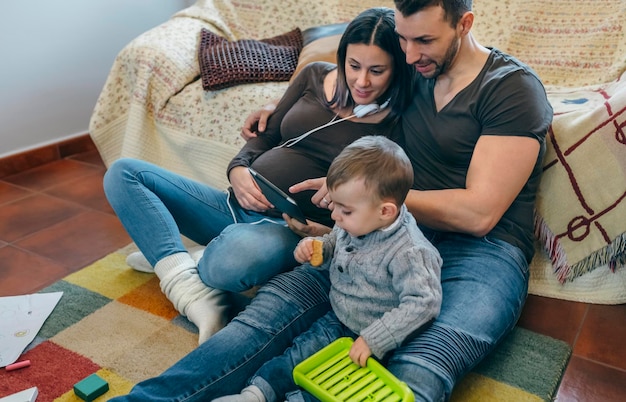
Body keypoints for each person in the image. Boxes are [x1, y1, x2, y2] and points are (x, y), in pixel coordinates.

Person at [108, 1, 553, 401]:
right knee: (263, 321)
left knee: (419, 366)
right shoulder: (412, 74)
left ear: (465, 24)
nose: (411, 53)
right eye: (403, 38)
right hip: (378, 230)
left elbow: (479, 213)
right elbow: (347, 66)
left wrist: (364, 201)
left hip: (480, 252)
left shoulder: (511, 89)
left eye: (425, 40)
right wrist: (272, 114)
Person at [102, 7, 414, 345]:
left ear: (397, 69)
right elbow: (265, 136)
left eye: (377, 70)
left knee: (226, 264)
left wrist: (328, 230)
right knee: (123, 174)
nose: (362, 81)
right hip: (234, 203)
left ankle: (176, 259)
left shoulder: (399, 121)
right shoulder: (313, 76)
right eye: (354, 66)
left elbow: (388, 202)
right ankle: (189, 286)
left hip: (290, 228)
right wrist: (237, 169)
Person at [214, 135, 442, 402]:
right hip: (340, 316)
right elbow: (335, 240)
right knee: (297, 355)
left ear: (386, 212)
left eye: (344, 212)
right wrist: (317, 246)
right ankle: (255, 395)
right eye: (335, 206)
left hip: (380, 336)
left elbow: (424, 302)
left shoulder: (411, 252)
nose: (335, 217)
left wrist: (374, 339)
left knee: (342, 385)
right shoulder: (358, 221)